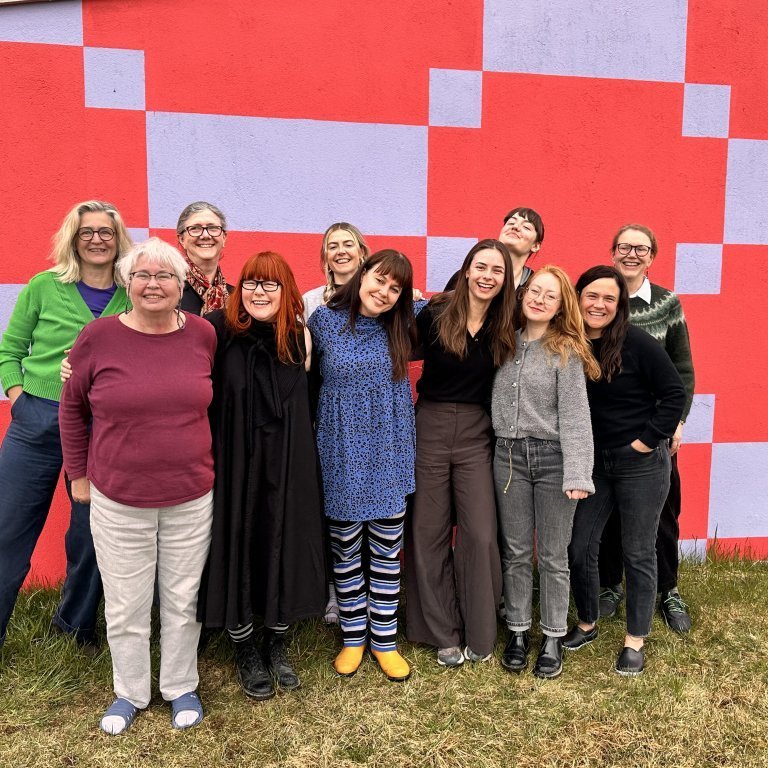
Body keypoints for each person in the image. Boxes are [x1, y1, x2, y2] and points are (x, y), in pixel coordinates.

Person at [59, 238, 216, 733]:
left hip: (192, 494)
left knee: (182, 598)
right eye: (142, 276)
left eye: (164, 276)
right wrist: (78, 475)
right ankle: (129, 691)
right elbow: (71, 408)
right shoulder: (98, 337)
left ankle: (179, 686)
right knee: (126, 603)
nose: (153, 284)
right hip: (118, 496)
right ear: (128, 284)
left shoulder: (204, 335)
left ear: (181, 284)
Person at [0, 200, 130, 653]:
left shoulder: (132, 292)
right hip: (37, 421)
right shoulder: (44, 286)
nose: (97, 239)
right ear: (72, 238)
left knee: (92, 533)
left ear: (119, 240)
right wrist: (20, 400)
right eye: (87, 231)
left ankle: (75, 627)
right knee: (9, 527)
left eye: (106, 232)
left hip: (101, 430)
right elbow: (10, 350)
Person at [197, 251, 326, 701]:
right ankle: (244, 644)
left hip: (287, 461)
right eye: (251, 282)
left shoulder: (302, 340)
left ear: (286, 290)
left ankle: (277, 638)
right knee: (238, 540)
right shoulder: (217, 331)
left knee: (281, 540)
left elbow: (314, 400)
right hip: (234, 460)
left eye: (270, 284)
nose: (258, 291)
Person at [565, 266, 685, 676]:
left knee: (638, 551)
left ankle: (635, 638)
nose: (599, 304)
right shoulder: (570, 344)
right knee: (579, 546)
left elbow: (674, 392)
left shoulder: (636, 342)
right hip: (594, 463)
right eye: (591, 296)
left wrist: (647, 440)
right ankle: (588, 620)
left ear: (619, 307)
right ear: (578, 297)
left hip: (641, 464)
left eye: (609, 299)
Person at [308, 249, 422, 682]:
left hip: (389, 450)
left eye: (396, 288)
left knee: (387, 552)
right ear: (362, 274)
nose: (385, 292)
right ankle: (354, 636)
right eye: (380, 280)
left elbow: (460, 307)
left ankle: (385, 640)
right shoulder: (323, 322)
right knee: (346, 550)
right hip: (341, 451)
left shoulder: (406, 324)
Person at [404, 239, 516, 668]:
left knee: (481, 533)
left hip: (477, 432)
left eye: (498, 270)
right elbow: (393, 340)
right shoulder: (434, 312)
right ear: (467, 269)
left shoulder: (508, 323)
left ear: (506, 279)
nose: (488, 276)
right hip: (429, 426)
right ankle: (440, 631)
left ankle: (481, 630)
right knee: (428, 531)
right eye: (481, 266)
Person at [492, 266, 599, 679]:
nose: (539, 299)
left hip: (554, 460)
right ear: (522, 295)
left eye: (549, 296)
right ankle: (518, 632)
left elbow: (576, 417)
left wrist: (577, 472)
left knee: (553, 556)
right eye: (534, 291)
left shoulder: (564, 350)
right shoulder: (504, 344)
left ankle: (552, 635)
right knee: (516, 551)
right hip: (508, 460)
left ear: (559, 306)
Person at [597, 224, 695, 632]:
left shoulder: (666, 302)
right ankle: (609, 586)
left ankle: (667, 588)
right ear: (613, 252)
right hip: (609, 432)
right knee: (607, 514)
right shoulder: (600, 298)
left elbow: (683, 369)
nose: (631, 254)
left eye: (640, 248)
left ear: (652, 256)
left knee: (663, 512)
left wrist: (677, 422)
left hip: (656, 431)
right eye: (624, 247)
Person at [443, 207, 544, 291]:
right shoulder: (469, 275)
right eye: (511, 223)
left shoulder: (535, 287)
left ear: (535, 246)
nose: (515, 227)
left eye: (526, 227)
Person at [302, 222, 370, 320]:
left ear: (361, 252)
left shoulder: (375, 297)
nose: (341, 251)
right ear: (326, 256)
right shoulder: (309, 301)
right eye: (333, 247)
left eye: (348, 245)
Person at [176, 201, 232, 314]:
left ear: (224, 238)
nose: (205, 235)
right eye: (195, 228)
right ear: (182, 239)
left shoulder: (237, 297)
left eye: (213, 228)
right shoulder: (170, 292)